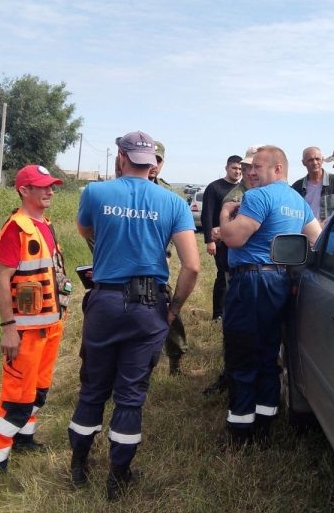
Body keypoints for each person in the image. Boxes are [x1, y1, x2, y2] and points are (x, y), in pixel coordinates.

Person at [68, 131, 200, 500]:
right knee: (130, 394)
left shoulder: (95, 193)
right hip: (148, 306)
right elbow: (192, 267)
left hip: (105, 301)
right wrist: (173, 310)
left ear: (121, 158)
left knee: (93, 387)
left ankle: (78, 466)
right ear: (153, 163)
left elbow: (86, 231)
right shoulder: (173, 203)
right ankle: (118, 477)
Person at [219, 146, 321, 447]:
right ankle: (265, 423)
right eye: (250, 168)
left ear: (278, 169)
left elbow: (233, 238)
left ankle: (241, 430)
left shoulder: (258, 197)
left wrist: (225, 215)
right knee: (268, 352)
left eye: (258, 167)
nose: (251, 172)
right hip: (279, 280)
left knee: (242, 352)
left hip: (251, 280)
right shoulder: (298, 201)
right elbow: (316, 238)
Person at [0, 164, 68, 477]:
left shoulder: (44, 224)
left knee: (38, 390)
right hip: (25, 332)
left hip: (50, 325)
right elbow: (2, 279)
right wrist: (8, 329)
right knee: (16, 397)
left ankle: (24, 438)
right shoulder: (16, 229)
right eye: (43, 186)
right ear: (24, 190)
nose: (50, 191)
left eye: (51, 186)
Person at [203, 145, 261, 397]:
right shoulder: (231, 194)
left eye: (252, 167)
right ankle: (232, 375)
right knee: (234, 321)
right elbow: (217, 222)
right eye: (244, 168)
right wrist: (213, 237)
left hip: (264, 271)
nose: (247, 172)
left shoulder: (271, 192)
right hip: (237, 262)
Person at [150, 141, 189, 375]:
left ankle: (176, 358)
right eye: (150, 158)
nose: (153, 165)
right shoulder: (122, 187)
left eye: (158, 160)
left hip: (157, 263)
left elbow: (176, 228)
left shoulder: (167, 193)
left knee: (167, 307)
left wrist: (166, 253)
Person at [201, 154, 243, 322]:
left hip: (237, 239)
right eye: (234, 168)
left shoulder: (243, 189)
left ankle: (233, 311)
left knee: (236, 275)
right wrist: (209, 240)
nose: (237, 172)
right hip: (219, 241)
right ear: (226, 168)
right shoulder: (214, 187)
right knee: (223, 275)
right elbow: (207, 214)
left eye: (240, 169)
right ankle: (218, 314)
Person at [291, 146, 334, 225]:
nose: (315, 162)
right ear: (303, 162)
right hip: (305, 230)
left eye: (317, 159)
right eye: (310, 160)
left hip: (328, 230)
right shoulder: (297, 187)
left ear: (322, 160)